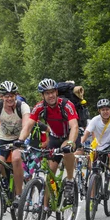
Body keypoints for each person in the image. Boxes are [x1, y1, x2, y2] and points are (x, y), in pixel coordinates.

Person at [18, 78, 79, 211]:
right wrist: (20, 140)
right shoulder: (39, 107)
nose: (50, 95)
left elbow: (74, 126)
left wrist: (70, 142)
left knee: (67, 150)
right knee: (50, 172)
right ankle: (44, 207)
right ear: (43, 95)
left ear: (56, 92)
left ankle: (69, 180)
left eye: (52, 92)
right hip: (54, 137)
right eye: (47, 93)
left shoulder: (67, 105)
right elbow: (28, 125)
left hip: (69, 135)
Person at [80, 98, 110, 190]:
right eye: (103, 110)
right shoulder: (95, 120)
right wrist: (80, 144)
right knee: (94, 170)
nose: (105, 112)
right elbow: (86, 133)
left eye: (107, 109)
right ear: (99, 111)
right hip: (100, 146)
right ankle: (92, 200)